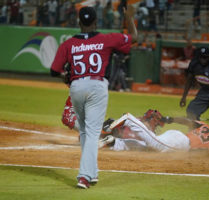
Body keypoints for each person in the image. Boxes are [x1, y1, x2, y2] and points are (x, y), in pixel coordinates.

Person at [50, 6, 137, 189]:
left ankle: (93, 172)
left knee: (84, 131)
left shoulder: (69, 44)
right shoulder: (107, 39)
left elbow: (54, 70)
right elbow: (135, 38)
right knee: (91, 133)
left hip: (76, 87)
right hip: (97, 86)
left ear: (79, 22)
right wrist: (129, 18)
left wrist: (65, 77)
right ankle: (84, 176)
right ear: (96, 22)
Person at [99, 111, 209, 154]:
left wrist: (170, 119)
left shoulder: (204, 125)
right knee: (155, 143)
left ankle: (115, 143)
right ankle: (129, 119)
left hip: (177, 136)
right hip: (181, 144)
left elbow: (187, 121)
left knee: (149, 148)